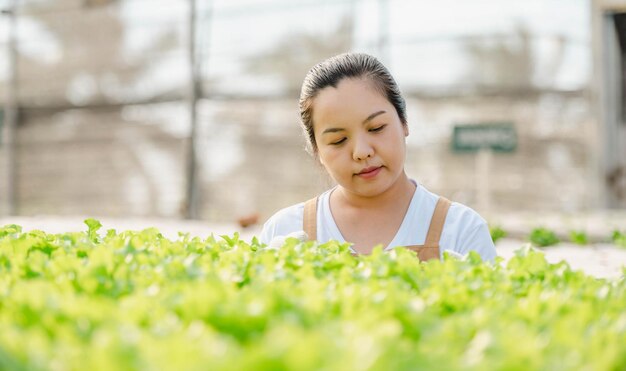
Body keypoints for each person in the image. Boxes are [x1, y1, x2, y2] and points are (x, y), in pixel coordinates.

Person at [259, 52, 496, 262]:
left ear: (404, 122)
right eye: (338, 140)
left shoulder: (461, 230)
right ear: (317, 151)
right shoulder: (285, 230)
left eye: (376, 128)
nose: (362, 152)